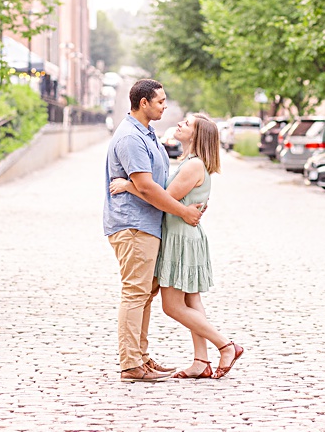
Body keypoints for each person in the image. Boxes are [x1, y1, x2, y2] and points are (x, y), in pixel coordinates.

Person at [110, 113, 244, 379]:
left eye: (187, 123)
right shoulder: (189, 162)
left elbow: (162, 199)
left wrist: (129, 185)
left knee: (172, 306)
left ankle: (226, 345)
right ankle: (201, 361)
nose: (180, 124)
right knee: (192, 301)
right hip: (183, 234)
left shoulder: (193, 165)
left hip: (181, 237)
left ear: (196, 135)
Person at [103, 78, 204, 382]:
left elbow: (162, 182)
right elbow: (146, 187)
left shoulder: (146, 133)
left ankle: (141, 357)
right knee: (135, 293)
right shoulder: (131, 138)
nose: (165, 105)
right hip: (133, 225)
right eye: (160, 101)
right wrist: (184, 211)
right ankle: (131, 364)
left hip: (148, 224)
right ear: (143, 103)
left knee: (145, 293)